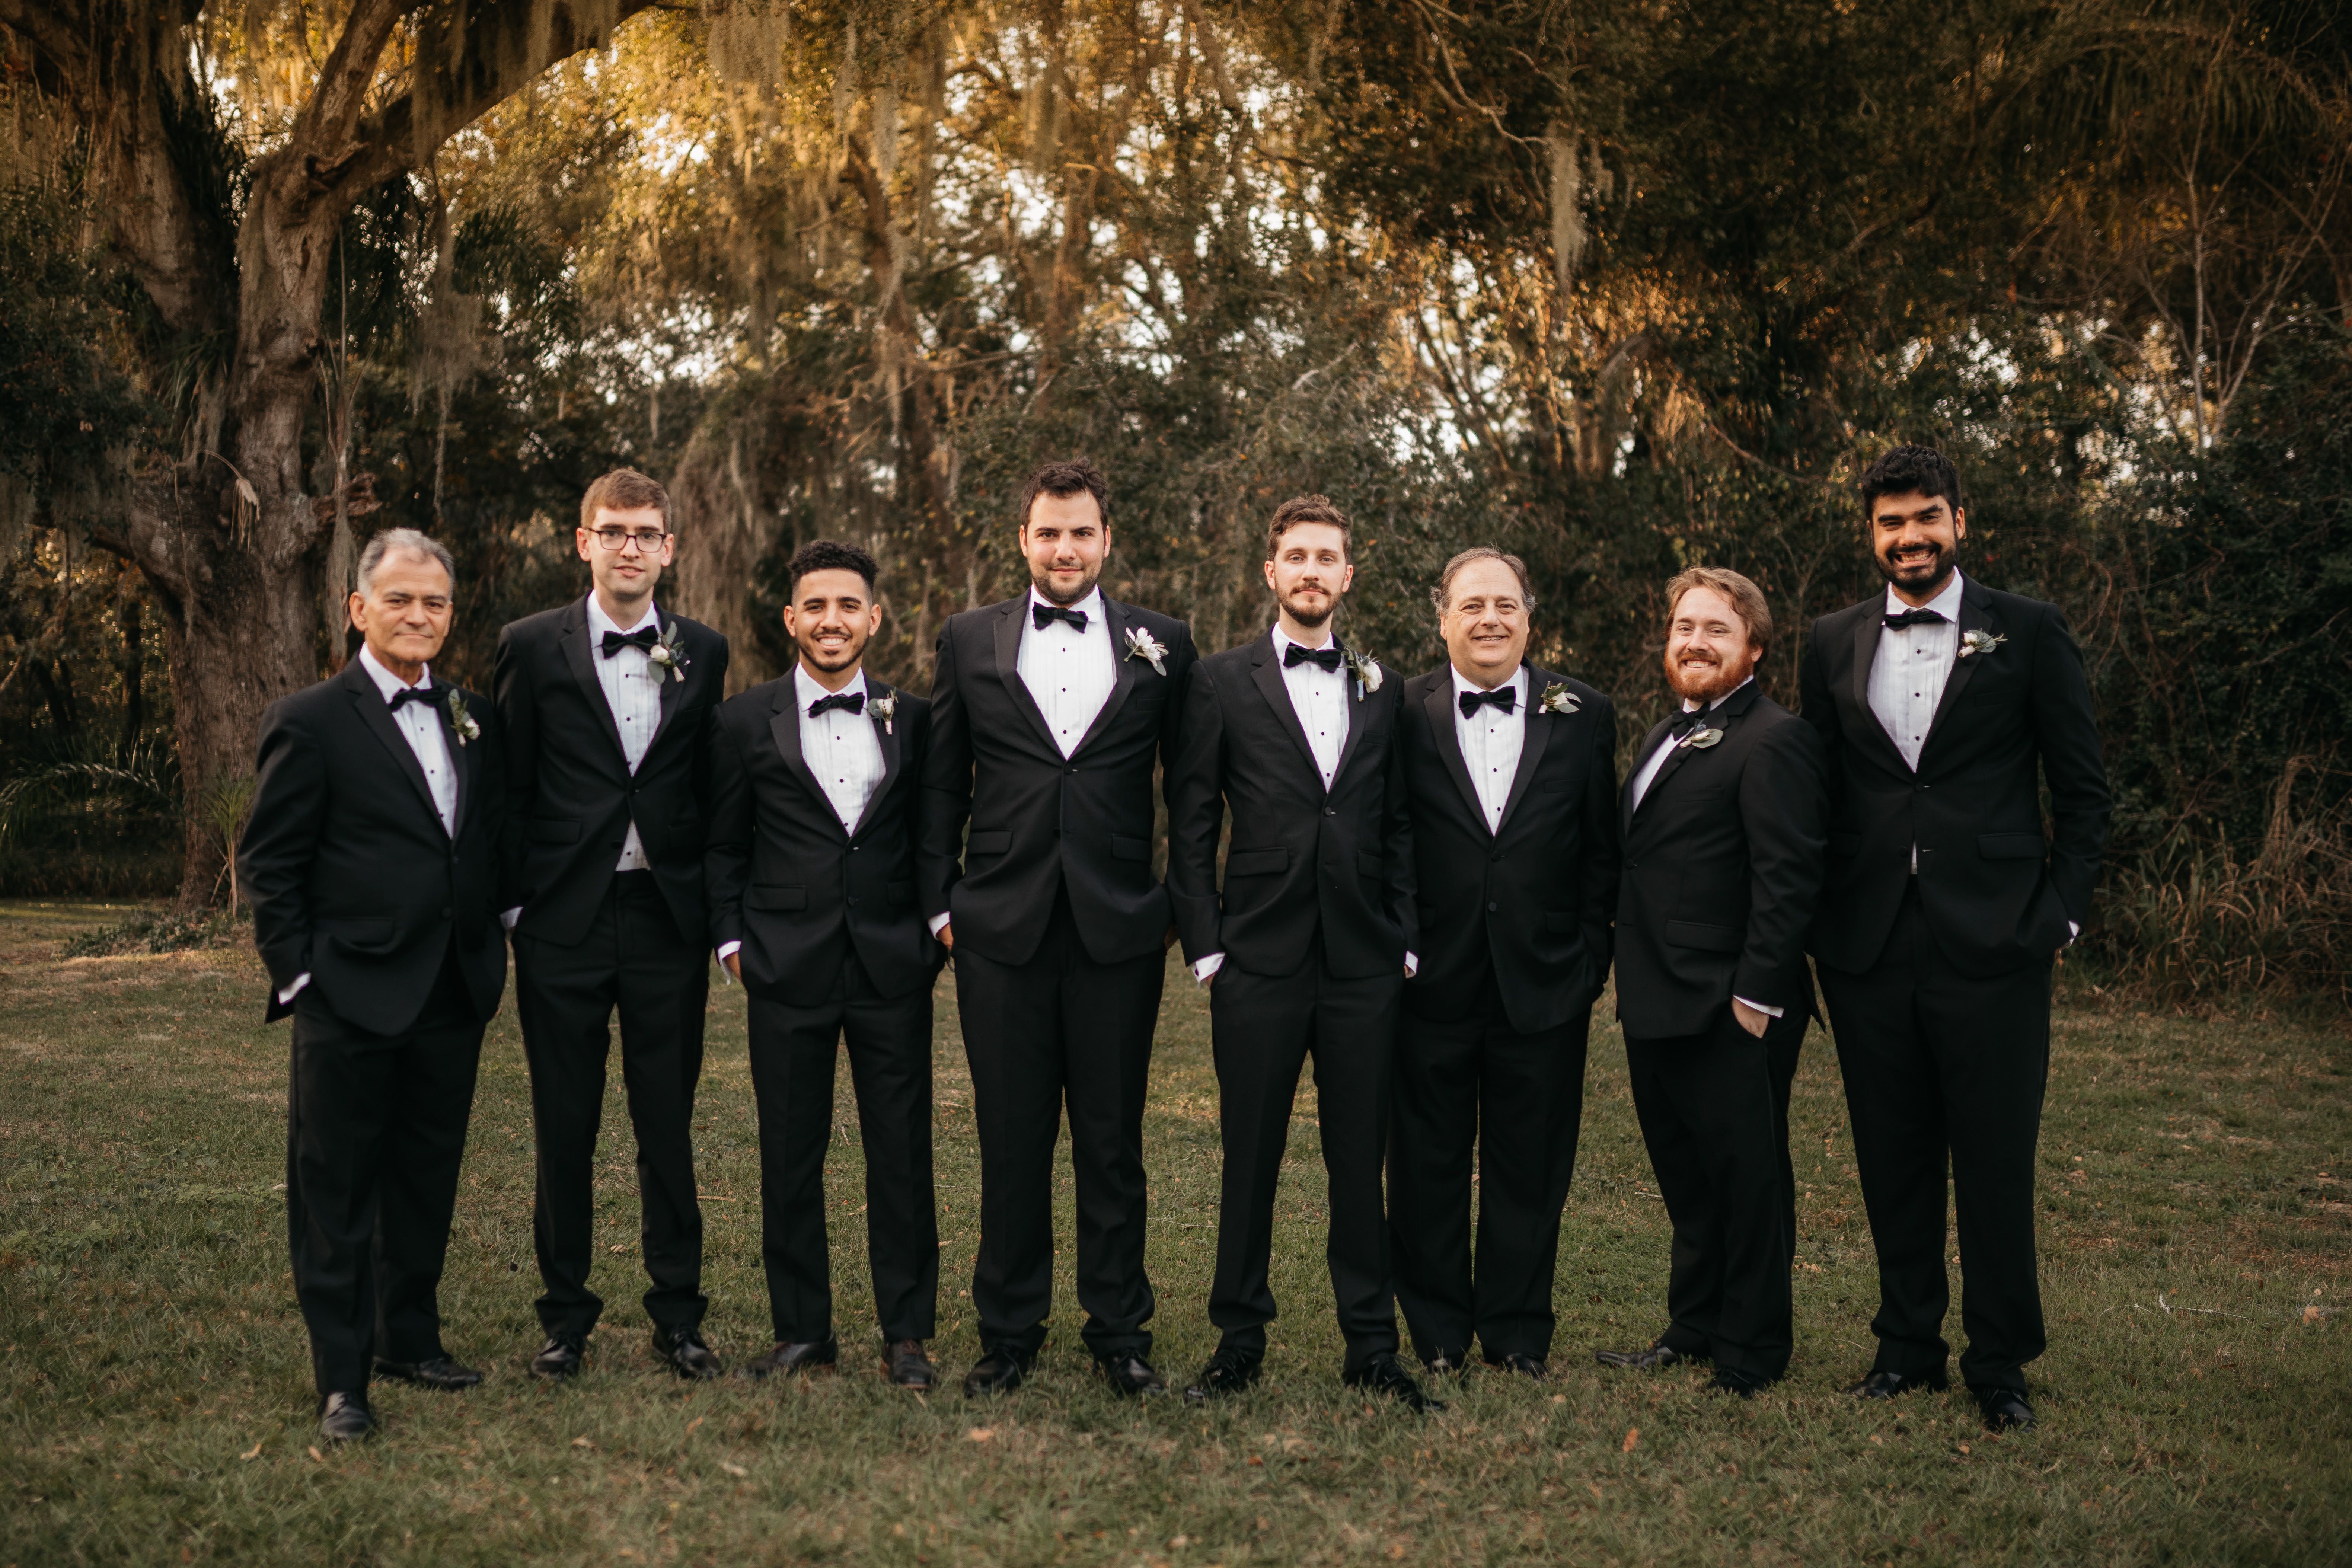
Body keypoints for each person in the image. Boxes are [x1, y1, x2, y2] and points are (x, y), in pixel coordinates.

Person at [1798, 445, 2109, 1431]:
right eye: (1891, 523)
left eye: (1926, 517)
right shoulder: (1830, 639)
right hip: (1868, 943)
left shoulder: (2028, 629)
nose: (1910, 537)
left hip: (1998, 940)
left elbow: (2087, 791)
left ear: (1960, 521)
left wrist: (2058, 910)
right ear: (1872, 535)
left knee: (1993, 1156)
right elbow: (1819, 789)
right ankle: (1906, 1346)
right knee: (1892, 1153)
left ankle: (2001, 1359)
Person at [917, 457, 1197, 1398]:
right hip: (999, 928)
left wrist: (1172, 904)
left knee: (1113, 1144)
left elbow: (1192, 790)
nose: (1065, 548)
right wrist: (941, 904)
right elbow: (939, 784)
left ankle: (1118, 1331)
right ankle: (1007, 1332)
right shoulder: (967, 638)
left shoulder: (1166, 643)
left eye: (1081, 532)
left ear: (1106, 540)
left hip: (1119, 929)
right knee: (1011, 1139)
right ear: (1023, 540)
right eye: (1048, 532)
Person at [1166, 495, 1438, 1413]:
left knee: (1360, 1159)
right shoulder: (1217, 681)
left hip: (1364, 963)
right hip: (1258, 958)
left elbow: (1396, 821)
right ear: (1271, 573)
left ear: (1347, 575)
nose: (1313, 570)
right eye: (1297, 556)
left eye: (1328, 556)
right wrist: (1207, 948)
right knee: (1251, 1156)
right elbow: (1193, 818)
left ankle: (1371, 1343)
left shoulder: (1383, 685)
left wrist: (1401, 938)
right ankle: (1238, 1338)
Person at [240, 528, 509, 1442]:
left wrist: (493, 936)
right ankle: (344, 1378)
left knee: (424, 1178)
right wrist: (302, 974)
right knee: (338, 1190)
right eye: (400, 599)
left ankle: (410, 1336)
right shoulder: (311, 718)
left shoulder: (475, 713)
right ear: (359, 608)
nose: (419, 615)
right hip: (347, 991)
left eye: (434, 601)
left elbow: (482, 839)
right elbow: (268, 865)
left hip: (450, 988)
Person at [493, 469, 731, 1381]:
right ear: (582, 541)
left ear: (669, 548)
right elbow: (508, 788)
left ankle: (679, 1315)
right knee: (567, 1124)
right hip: (563, 921)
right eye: (613, 531)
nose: (630, 546)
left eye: (646, 532)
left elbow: (711, 788)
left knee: (665, 1123)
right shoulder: (530, 645)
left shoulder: (702, 651)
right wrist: (518, 907)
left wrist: (711, 911)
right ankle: (566, 1318)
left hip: (666, 918)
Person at [706, 539, 944, 1389]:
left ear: (874, 618)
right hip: (785, 967)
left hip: (892, 968)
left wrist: (930, 937)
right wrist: (734, 944)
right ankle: (801, 1329)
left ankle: (906, 1331)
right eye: (816, 606)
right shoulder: (742, 720)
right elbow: (723, 844)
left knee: (902, 1154)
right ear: (791, 619)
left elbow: (930, 838)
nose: (832, 620)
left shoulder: (915, 718)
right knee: (789, 1151)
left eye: (849, 606)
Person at [1388, 547, 1618, 1382]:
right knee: (1426, 1162)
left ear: (1529, 617)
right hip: (1430, 979)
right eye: (1471, 605)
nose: (1489, 619)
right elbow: (1390, 835)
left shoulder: (1584, 713)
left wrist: (1590, 958)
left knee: (1532, 1164)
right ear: (1441, 617)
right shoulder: (1400, 709)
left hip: (1545, 979)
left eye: (1505, 605)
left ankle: (1518, 1332)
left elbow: (1601, 852)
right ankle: (1440, 1332)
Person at [1601, 567, 1827, 1396]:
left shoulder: (1775, 738)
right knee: (1688, 1180)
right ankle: (1694, 1326)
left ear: (1754, 648)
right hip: (1656, 998)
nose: (1694, 641)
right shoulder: (1669, 733)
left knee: (1747, 1182)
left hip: (1731, 1004)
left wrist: (1755, 999)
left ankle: (1753, 1349)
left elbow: (1790, 878)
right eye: (1682, 627)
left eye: (1715, 630)